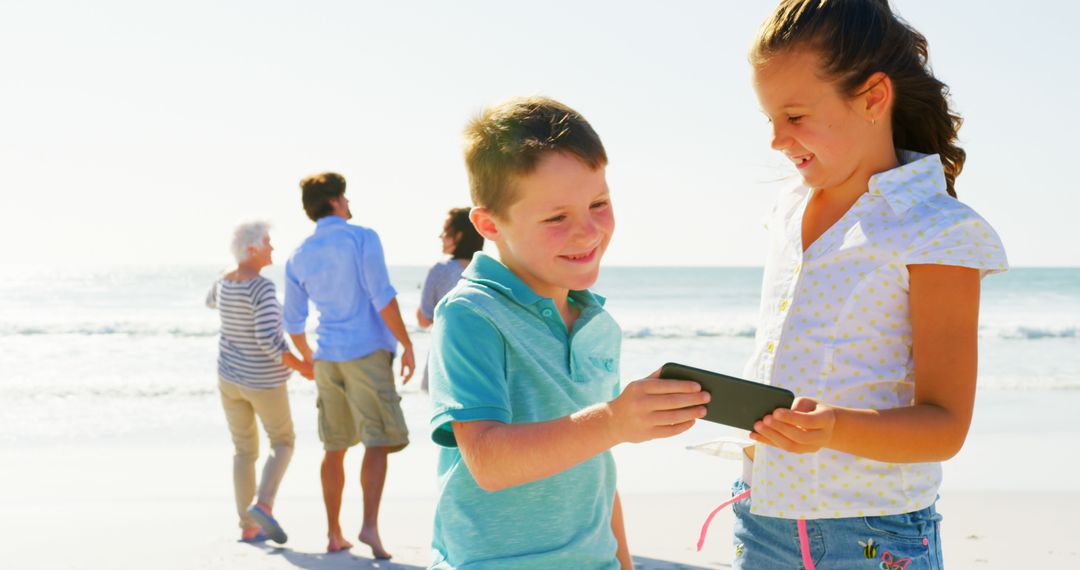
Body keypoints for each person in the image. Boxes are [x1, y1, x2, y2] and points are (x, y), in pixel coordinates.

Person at [705, 1, 1009, 568]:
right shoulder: (789, 206)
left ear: (872, 98)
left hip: (871, 532)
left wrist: (833, 428)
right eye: (768, 119)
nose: (776, 140)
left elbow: (944, 426)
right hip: (758, 511)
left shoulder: (937, 229)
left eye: (794, 117)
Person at [427, 96, 711, 569]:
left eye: (598, 204)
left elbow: (598, 464)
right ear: (489, 224)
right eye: (557, 217)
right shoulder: (470, 314)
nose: (588, 232)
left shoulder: (598, 323)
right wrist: (615, 421)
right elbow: (488, 463)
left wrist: (623, 561)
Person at [283, 172, 415, 559]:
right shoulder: (362, 237)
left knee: (335, 446)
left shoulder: (299, 254)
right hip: (366, 352)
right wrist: (406, 343)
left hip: (328, 357)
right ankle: (370, 527)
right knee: (377, 440)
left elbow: (293, 322)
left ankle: (334, 533)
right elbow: (382, 294)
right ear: (338, 201)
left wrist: (309, 359)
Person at [205, 221, 313, 545]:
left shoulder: (224, 279)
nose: (272, 248)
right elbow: (269, 342)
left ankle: (247, 525)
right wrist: (305, 366)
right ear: (251, 248)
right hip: (262, 381)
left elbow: (211, 302)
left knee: (243, 450)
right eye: (267, 242)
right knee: (283, 441)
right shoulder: (261, 288)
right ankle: (262, 505)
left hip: (229, 377)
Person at [416, 207, 484, 392]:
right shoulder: (490, 271)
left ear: (459, 236)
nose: (441, 236)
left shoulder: (441, 269)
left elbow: (423, 319)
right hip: (483, 363)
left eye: (446, 231)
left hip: (446, 360)